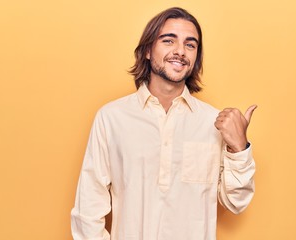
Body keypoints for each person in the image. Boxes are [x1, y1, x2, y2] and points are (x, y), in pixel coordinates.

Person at [71, 7, 256, 240]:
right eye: (169, 41)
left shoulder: (213, 122)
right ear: (148, 50)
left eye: (190, 45)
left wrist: (239, 149)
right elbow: (88, 208)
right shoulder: (111, 118)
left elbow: (236, 203)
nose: (180, 51)